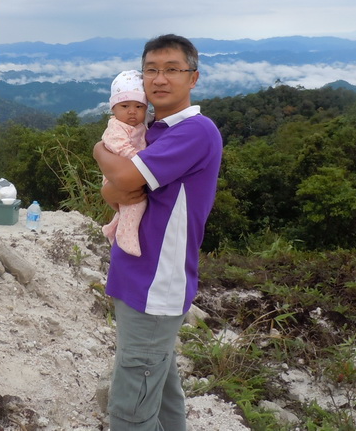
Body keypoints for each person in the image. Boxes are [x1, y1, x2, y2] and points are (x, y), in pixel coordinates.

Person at [93, 34, 223, 431]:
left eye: (172, 69)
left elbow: (124, 179)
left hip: (156, 284)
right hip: (137, 277)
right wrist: (113, 186)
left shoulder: (194, 131)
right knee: (161, 386)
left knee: (130, 408)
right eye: (151, 70)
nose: (160, 78)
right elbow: (117, 191)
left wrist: (99, 150)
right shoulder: (155, 130)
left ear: (193, 77)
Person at [100, 70, 149, 257]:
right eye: (125, 106)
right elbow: (121, 148)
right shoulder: (116, 127)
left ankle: (112, 228)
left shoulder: (138, 125)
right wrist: (141, 158)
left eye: (139, 106)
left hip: (128, 173)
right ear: (114, 108)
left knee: (130, 205)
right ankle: (125, 234)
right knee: (136, 202)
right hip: (116, 175)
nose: (132, 111)